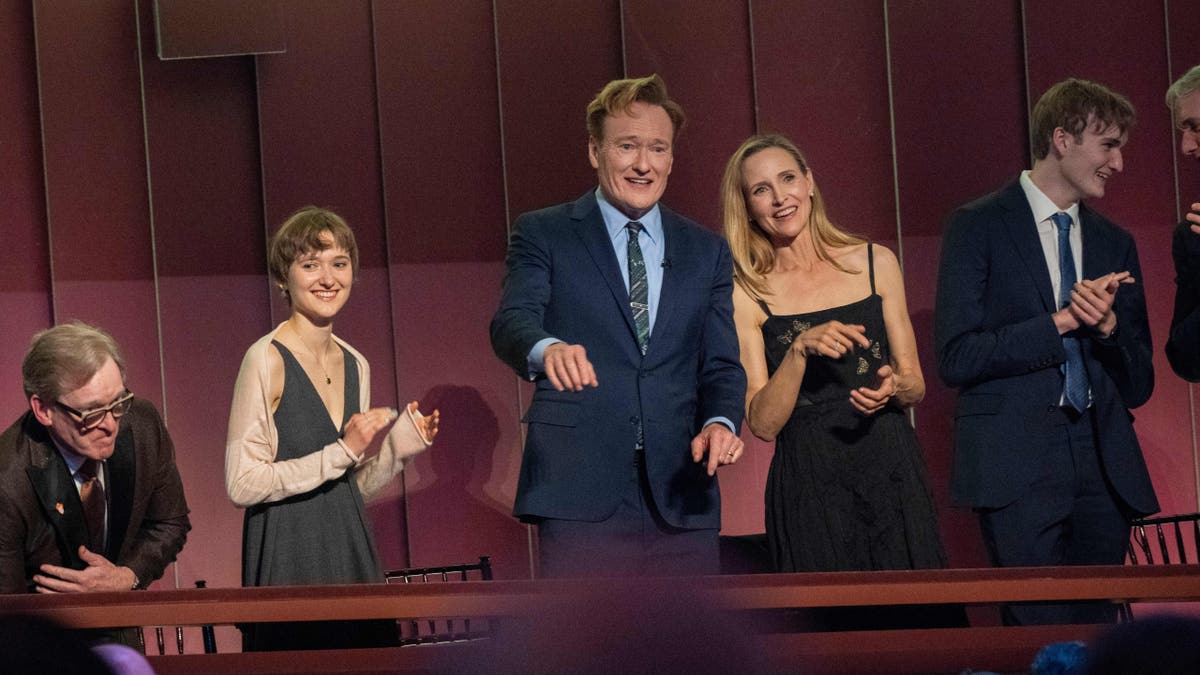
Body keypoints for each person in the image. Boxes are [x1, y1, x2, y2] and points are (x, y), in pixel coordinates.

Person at [490, 74, 746, 578]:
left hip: (680, 489)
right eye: (627, 147)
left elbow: (720, 365)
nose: (643, 164)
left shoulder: (706, 250)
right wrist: (548, 348)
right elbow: (512, 321)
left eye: (658, 148)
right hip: (578, 487)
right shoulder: (545, 232)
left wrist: (721, 421)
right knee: (586, 652)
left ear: (671, 157)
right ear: (595, 151)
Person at [935, 79, 1158, 625]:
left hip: (1103, 464)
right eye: (1108, 145)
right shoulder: (977, 226)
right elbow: (957, 357)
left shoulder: (1114, 241)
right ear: (1062, 138)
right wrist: (1060, 321)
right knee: (1039, 627)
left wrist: (1106, 327)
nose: (1119, 162)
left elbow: (1141, 384)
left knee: (1099, 629)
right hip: (1015, 463)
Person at [721, 134, 946, 575]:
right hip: (809, 481)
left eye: (787, 178)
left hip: (890, 466)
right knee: (829, 628)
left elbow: (915, 384)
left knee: (915, 620)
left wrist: (894, 388)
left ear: (809, 182)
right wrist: (798, 351)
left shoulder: (875, 261)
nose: (780, 197)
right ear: (746, 207)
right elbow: (763, 424)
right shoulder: (746, 292)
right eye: (761, 189)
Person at [225, 206, 438, 650]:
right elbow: (242, 484)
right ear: (285, 277)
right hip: (288, 559)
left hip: (349, 554)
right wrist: (341, 451)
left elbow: (347, 491)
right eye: (310, 264)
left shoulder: (357, 364)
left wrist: (398, 450)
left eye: (339, 263)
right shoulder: (265, 359)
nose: (328, 278)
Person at [0, 322, 191, 644]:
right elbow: (6, 610)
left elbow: (169, 523)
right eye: (90, 412)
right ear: (43, 409)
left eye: (117, 403)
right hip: (42, 647)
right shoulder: (8, 478)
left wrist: (126, 577)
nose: (110, 424)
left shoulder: (142, 425)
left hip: (121, 638)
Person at [1165, 65, 1200, 380]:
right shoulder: (1191, 234)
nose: (1186, 146)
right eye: (1183, 131)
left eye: (1196, 127)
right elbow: (1186, 361)